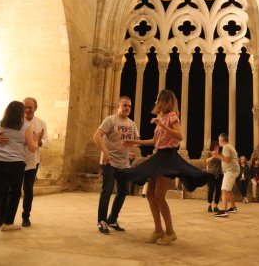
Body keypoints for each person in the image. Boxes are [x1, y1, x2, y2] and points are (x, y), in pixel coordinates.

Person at [119, 89, 208, 245]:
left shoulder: (172, 116)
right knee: (150, 195)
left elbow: (180, 136)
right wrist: (135, 142)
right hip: (159, 156)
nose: (155, 101)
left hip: (168, 158)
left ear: (164, 101)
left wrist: (163, 125)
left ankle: (170, 231)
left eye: (158, 99)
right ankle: (158, 230)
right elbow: (154, 141)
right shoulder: (161, 118)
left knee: (159, 196)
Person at [0, 101, 40, 239]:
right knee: (14, 193)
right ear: (21, 113)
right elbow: (32, 148)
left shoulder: (0, 124)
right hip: (14, 164)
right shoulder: (26, 126)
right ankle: (8, 223)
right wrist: (36, 139)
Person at [0, 97, 48, 228]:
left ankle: (25, 217)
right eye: (25, 107)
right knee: (6, 189)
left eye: (30, 107)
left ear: (35, 108)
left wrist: (38, 140)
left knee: (28, 190)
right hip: (13, 162)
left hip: (31, 162)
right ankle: (2, 217)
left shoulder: (41, 123)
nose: (27, 109)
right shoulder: (13, 121)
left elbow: (46, 141)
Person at [93, 96, 140, 235]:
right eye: (124, 105)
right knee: (107, 191)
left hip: (124, 163)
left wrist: (132, 146)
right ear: (117, 106)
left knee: (123, 192)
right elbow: (96, 136)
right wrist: (105, 152)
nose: (127, 108)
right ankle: (101, 221)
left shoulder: (132, 124)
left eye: (129, 106)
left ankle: (112, 219)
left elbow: (137, 140)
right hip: (109, 162)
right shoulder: (110, 120)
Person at [214, 133, 240, 217]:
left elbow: (227, 160)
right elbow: (227, 158)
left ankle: (224, 210)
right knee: (228, 190)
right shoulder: (229, 146)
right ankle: (233, 207)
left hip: (230, 170)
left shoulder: (225, 147)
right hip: (233, 170)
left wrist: (217, 156)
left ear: (222, 140)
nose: (218, 141)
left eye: (219, 140)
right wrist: (219, 155)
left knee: (224, 189)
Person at [206, 141, 223, 212]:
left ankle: (216, 206)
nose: (217, 147)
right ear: (213, 146)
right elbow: (206, 161)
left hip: (219, 174)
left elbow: (224, 161)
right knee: (211, 190)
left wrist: (218, 156)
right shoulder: (209, 153)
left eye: (218, 146)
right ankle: (210, 205)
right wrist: (213, 156)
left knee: (218, 190)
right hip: (211, 173)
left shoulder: (221, 154)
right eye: (216, 146)